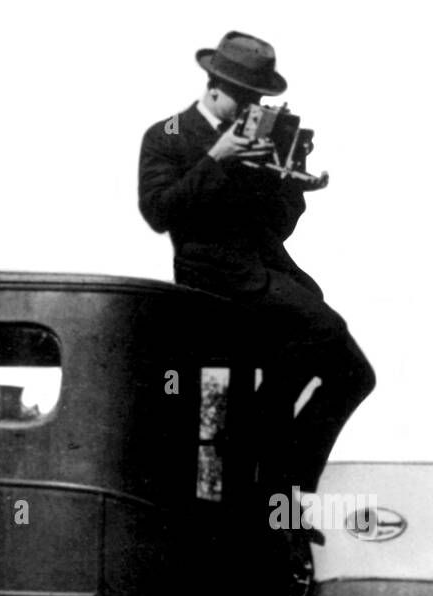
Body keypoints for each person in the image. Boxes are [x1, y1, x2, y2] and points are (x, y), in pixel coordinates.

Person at [138, 30, 375, 521]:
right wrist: (215, 159)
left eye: (258, 100)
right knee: (325, 333)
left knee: (355, 375)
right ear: (215, 86)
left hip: (264, 274)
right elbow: (161, 212)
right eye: (245, 98)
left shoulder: (260, 137)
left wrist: (290, 181)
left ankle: (284, 491)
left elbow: (278, 228)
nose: (251, 108)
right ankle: (267, 468)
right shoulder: (168, 136)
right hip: (214, 281)